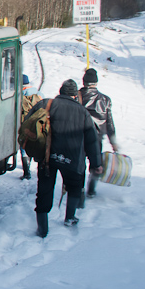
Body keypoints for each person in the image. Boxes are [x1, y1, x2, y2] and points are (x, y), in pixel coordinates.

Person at [29, 79, 102, 237]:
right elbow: (91, 140)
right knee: (74, 187)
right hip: (73, 159)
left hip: (48, 157)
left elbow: (29, 121)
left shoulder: (46, 104)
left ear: (60, 92)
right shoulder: (82, 112)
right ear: (75, 95)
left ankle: (42, 229)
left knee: (44, 191)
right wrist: (96, 163)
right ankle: (69, 217)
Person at [79, 68, 119, 199]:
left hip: (79, 136)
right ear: (96, 82)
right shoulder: (105, 99)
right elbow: (110, 123)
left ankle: (79, 188)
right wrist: (113, 141)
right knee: (96, 164)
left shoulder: (77, 97)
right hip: (96, 138)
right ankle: (91, 189)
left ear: (84, 81)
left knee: (79, 163)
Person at [19, 74, 43, 180]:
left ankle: (26, 172)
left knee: (24, 147)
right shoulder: (39, 94)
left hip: (24, 125)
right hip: (37, 125)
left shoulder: (19, 96)